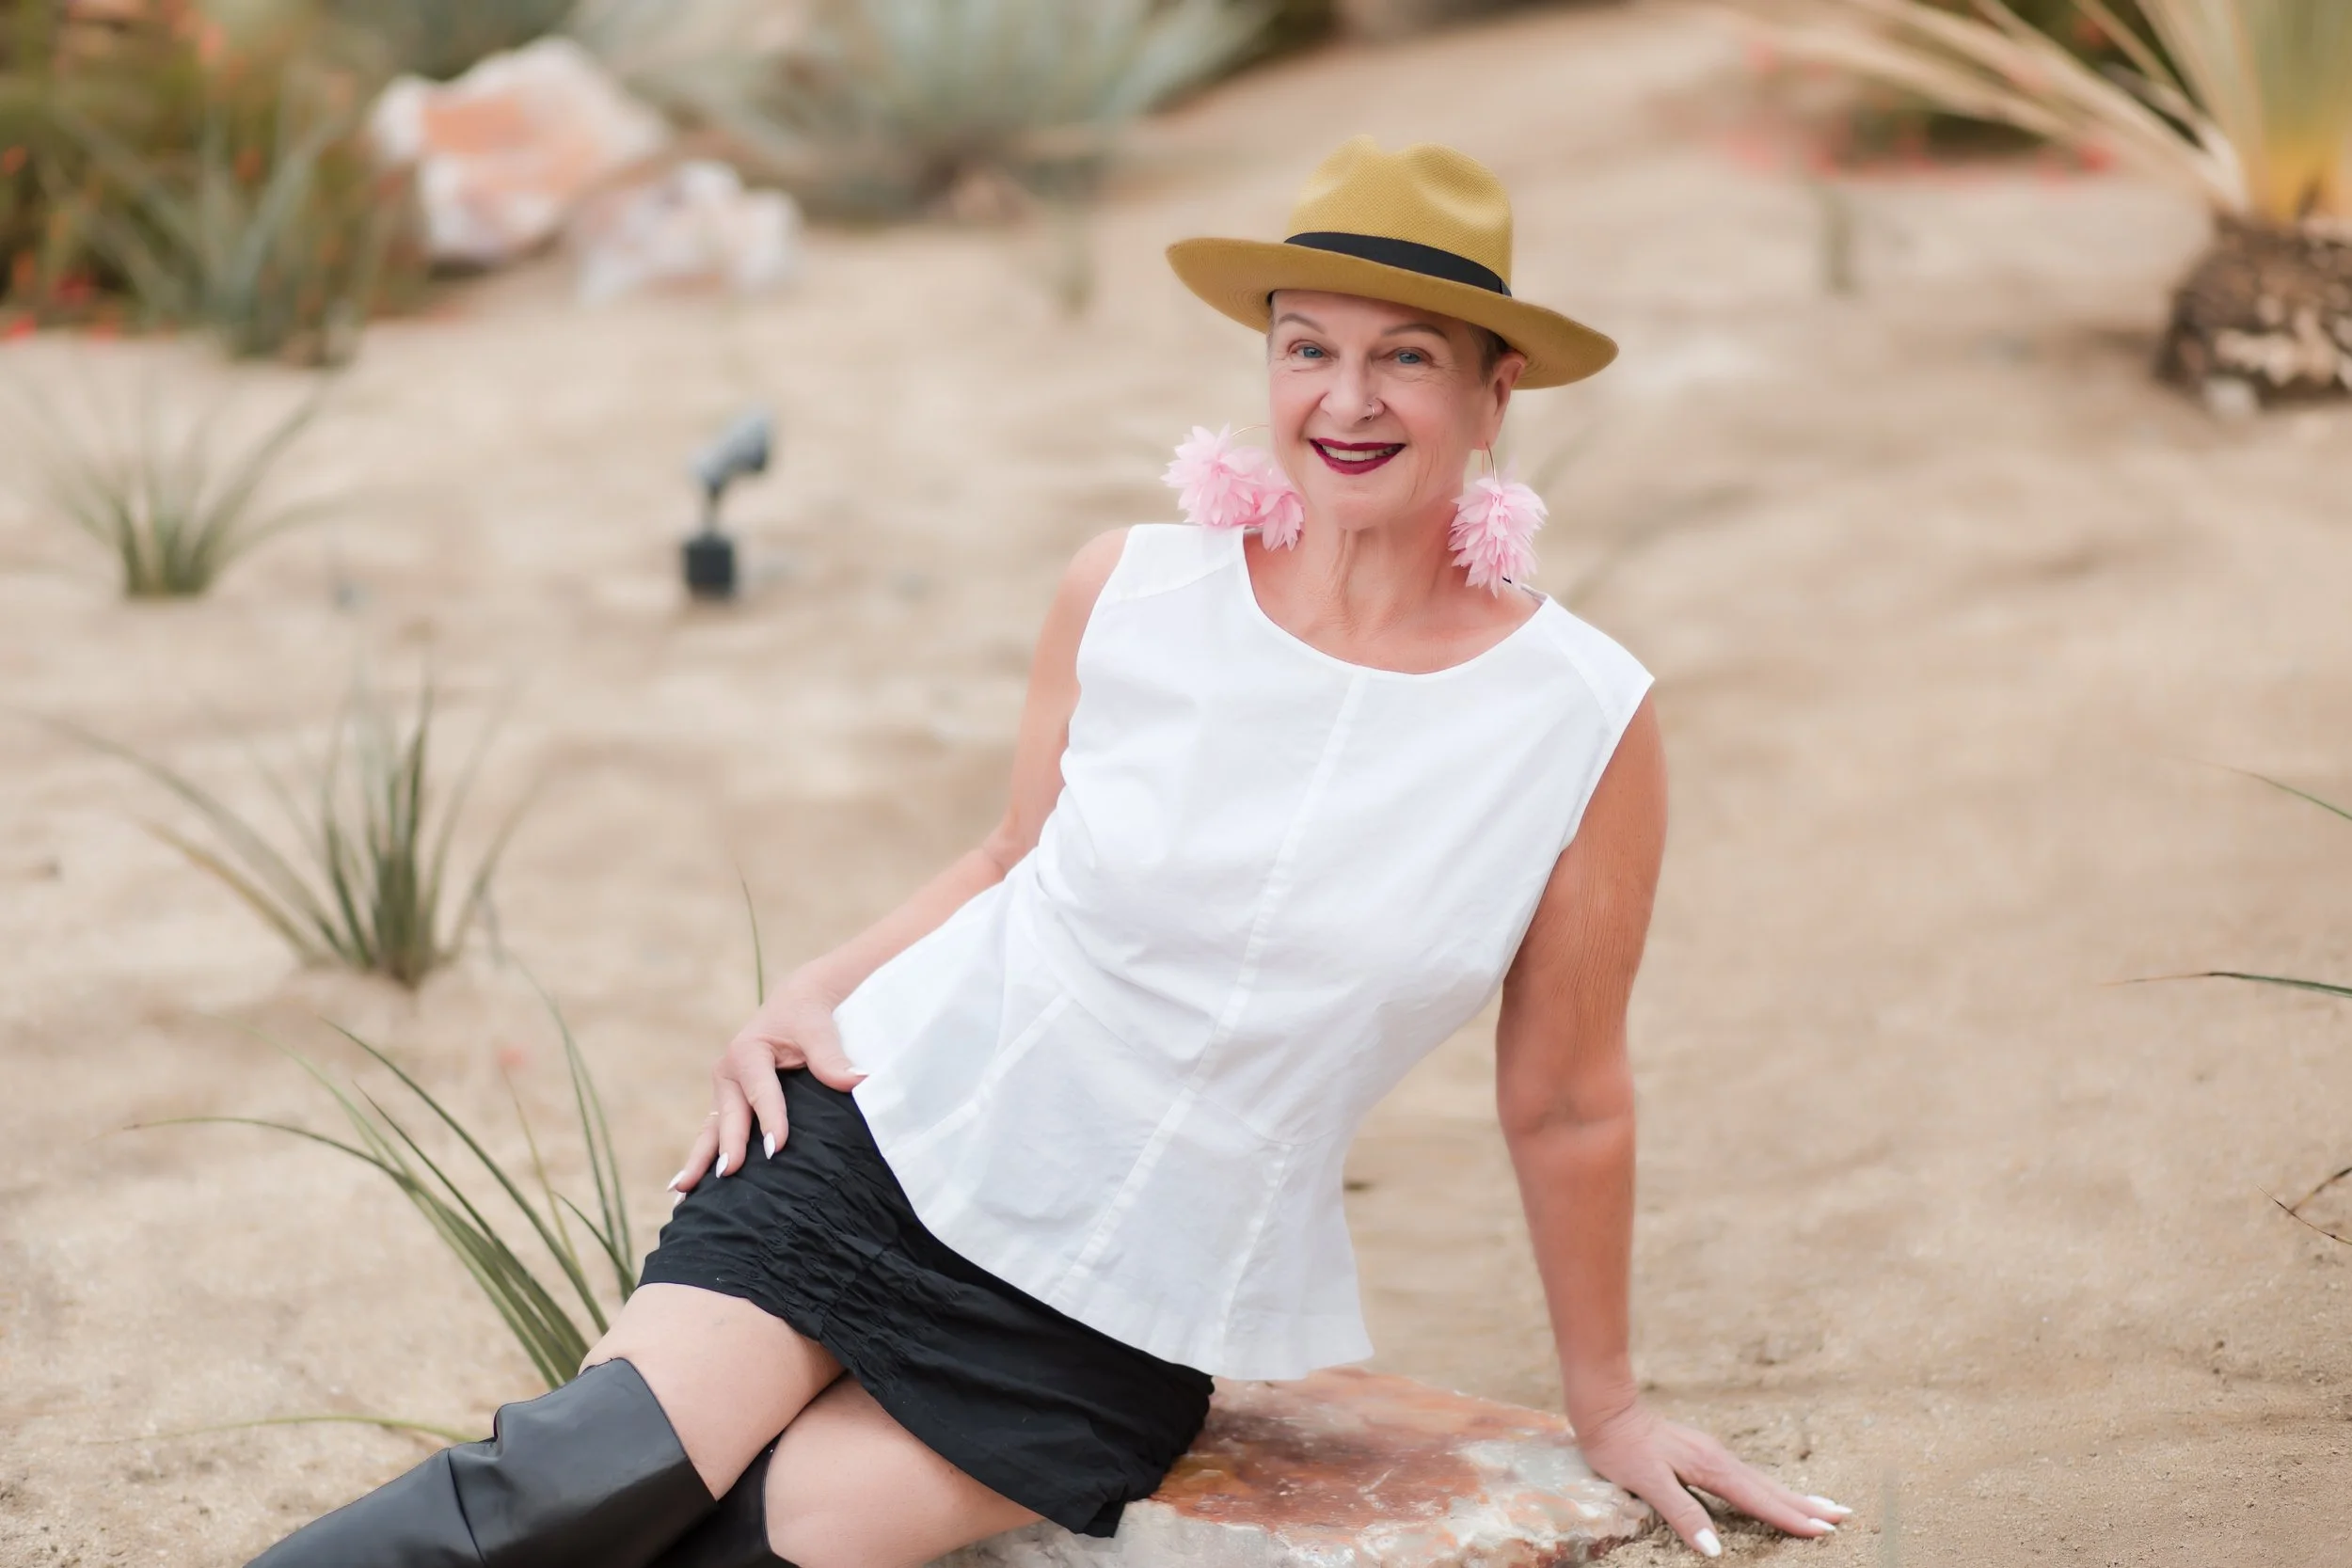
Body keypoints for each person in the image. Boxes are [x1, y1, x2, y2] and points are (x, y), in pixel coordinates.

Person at [248, 136, 1849, 1568]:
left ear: (1496, 396)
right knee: (582, 1483)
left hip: (1123, 1301)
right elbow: (1013, 851)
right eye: (1308, 347)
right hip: (887, 1143)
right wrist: (811, 988)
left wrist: (1608, 1404)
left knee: (764, 1546)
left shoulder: (1580, 718)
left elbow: (1567, 1095)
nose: (1347, 400)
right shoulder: (1132, 589)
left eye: (1405, 358)